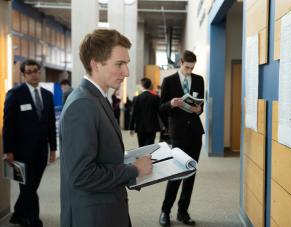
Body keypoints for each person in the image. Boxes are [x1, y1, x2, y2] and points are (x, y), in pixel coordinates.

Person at [59, 29, 153, 227]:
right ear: (95, 64)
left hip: (107, 208)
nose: (126, 72)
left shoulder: (97, 98)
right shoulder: (82, 104)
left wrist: (128, 162)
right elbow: (82, 175)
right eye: (119, 64)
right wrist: (133, 170)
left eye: (126, 64)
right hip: (93, 216)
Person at [2, 59, 57, 227]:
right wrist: (8, 150)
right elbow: (8, 124)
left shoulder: (47, 96)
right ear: (24, 75)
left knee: (32, 186)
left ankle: (18, 213)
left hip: (41, 151)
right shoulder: (15, 94)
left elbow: (50, 124)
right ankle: (33, 220)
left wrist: (53, 148)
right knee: (28, 187)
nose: (34, 74)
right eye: (29, 72)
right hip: (21, 151)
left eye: (36, 71)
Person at [158, 50, 204, 226]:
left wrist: (199, 110)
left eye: (192, 68)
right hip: (178, 134)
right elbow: (161, 108)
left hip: (195, 133)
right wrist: (171, 103)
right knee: (175, 173)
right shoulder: (168, 81)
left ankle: (183, 212)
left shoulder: (199, 80)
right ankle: (165, 211)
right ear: (181, 62)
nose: (189, 71)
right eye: (187, 67)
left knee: (190, 173)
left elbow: (201, 106)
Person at [129, 78, 161, 147]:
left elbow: (133, 114)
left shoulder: (136, 98)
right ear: (150, 86)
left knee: (141, 147)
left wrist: (131, 128)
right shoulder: (155, 98)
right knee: (150, 146)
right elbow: (160, 112)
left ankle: (142, 158)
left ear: (141, 86)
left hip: (140, 127)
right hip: (152, 127)